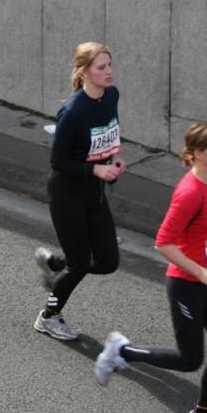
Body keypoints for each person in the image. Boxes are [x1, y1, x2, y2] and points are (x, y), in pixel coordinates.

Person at [93, 122, 207, 413]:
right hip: (188, 283)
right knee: (190, 358)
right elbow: (163, 242)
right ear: (197, 154)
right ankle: (122, 351)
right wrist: (200, 272)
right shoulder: (189, 192)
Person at [34, 41, 125, 341]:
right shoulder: (71, 113)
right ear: (85, 72)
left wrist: (113, 159)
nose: (109, 72)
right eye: (102, 67)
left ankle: (55, 263)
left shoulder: (111, 96)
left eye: (110, 64)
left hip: (94, 192)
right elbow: (58, 162)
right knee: (81, 264)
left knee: (108, 261)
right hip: (67, 194)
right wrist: (95, 169)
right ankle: (48, 316)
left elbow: (109, 133)